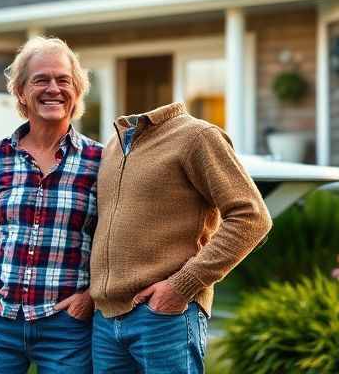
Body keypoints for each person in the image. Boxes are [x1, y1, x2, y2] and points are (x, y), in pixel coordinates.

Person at [90, 103, 273, 373]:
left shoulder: (196, 136)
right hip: (106, 321)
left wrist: (180, 287)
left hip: (165, 316)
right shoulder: (113, 146)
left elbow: (252, 217)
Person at [0, 36, 103, 373]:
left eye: (63, 80)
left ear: (77, 91)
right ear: (21, 92)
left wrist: (91, 297)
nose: (53, 88)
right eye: (41, 80)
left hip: (67, 324)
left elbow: (115, 243)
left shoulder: (101, 161)